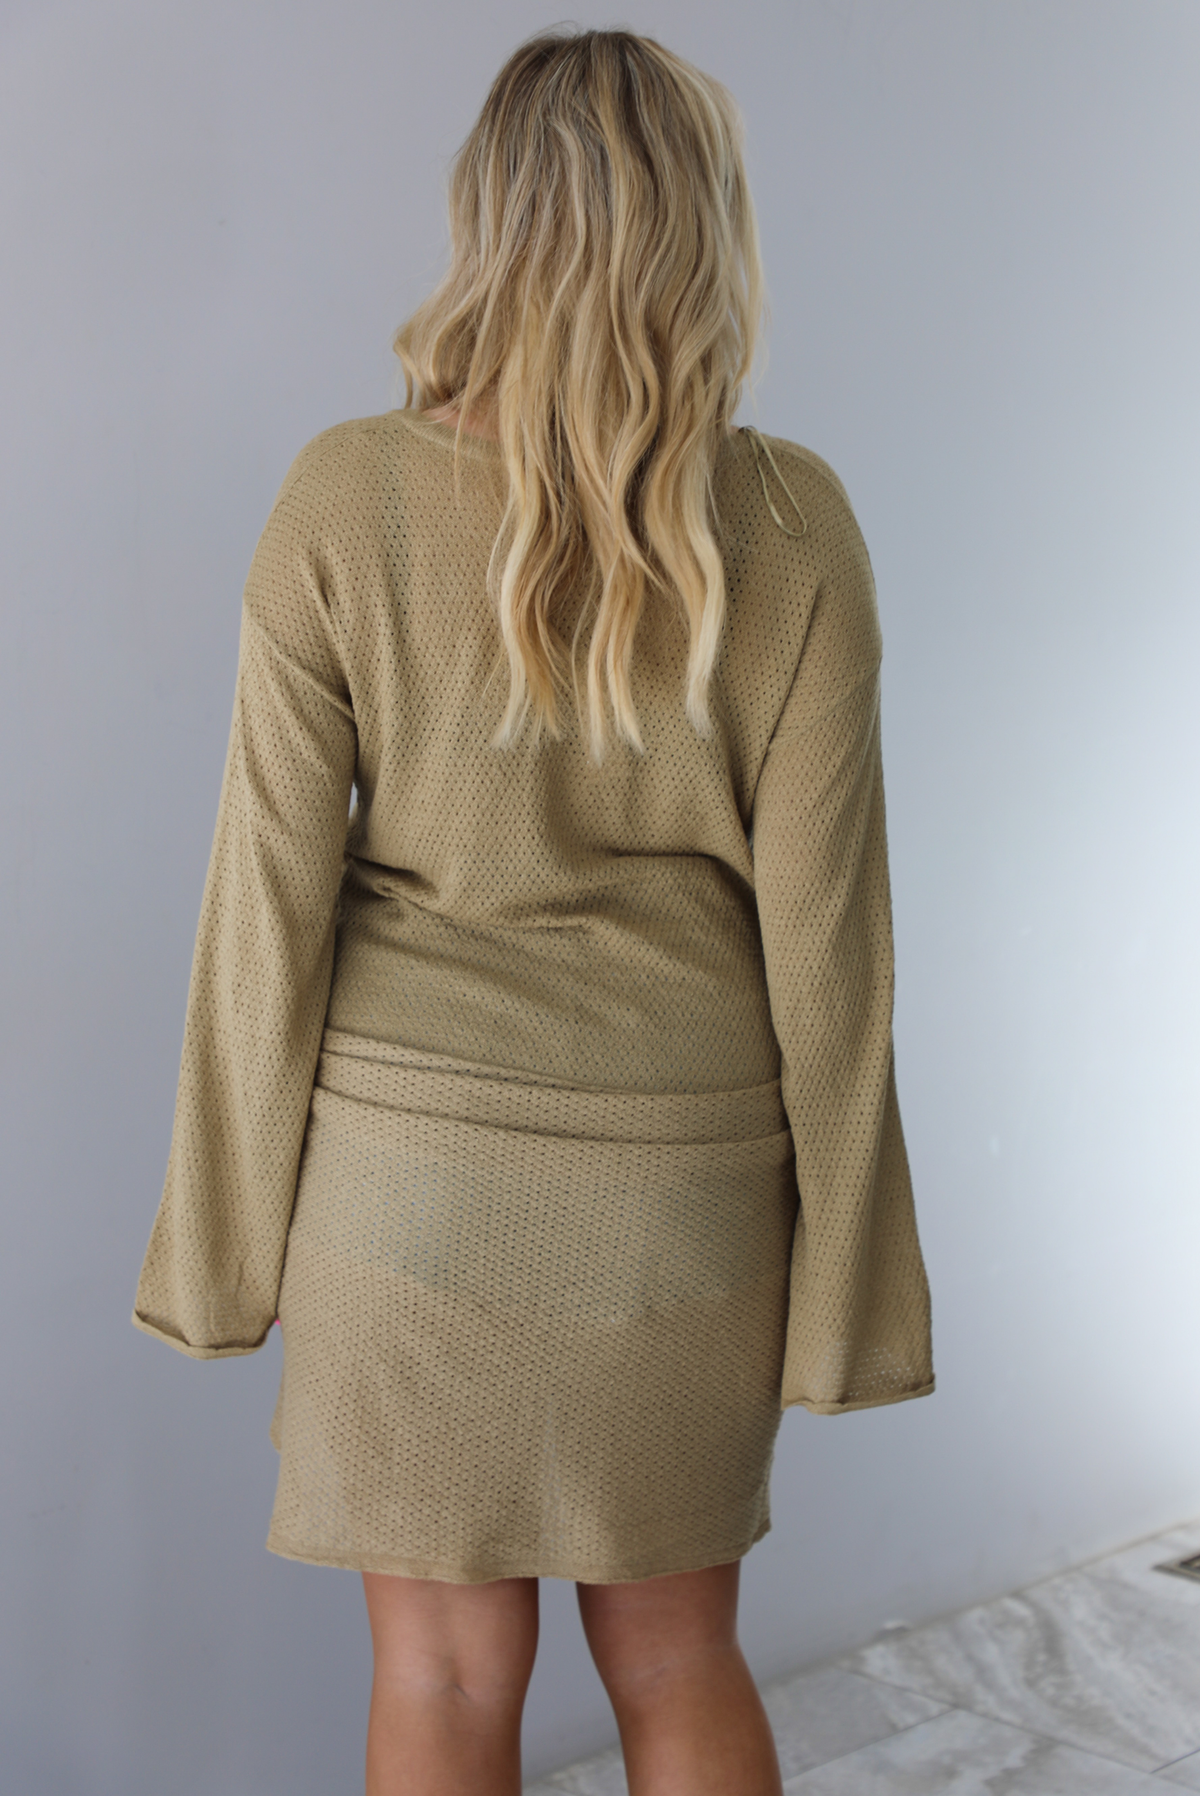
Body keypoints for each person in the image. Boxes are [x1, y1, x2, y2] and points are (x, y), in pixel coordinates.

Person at [132, 27, 934, 1796]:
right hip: (686, 1201)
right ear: (703, 230)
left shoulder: (342, 496)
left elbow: (260, 913)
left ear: (486, 219)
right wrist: (854, 1295)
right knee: (679, 1656)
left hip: (403, 1196)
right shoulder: (796, 528)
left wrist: (219, 1247)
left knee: (438, 1678)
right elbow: (833, 953)